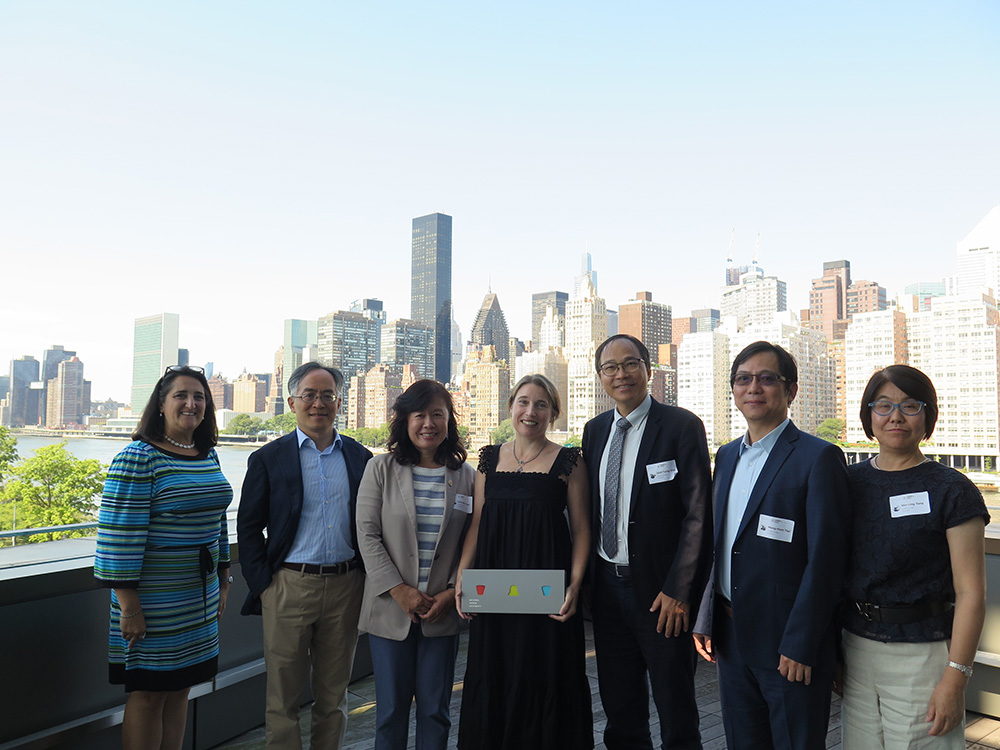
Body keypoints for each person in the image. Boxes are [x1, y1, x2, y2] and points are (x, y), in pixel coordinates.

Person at [693, 341, 851, 750]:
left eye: (767, 379)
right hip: (731, 637)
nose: (753, 388)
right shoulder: (727, 456)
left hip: (788, 644)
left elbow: (827, 562)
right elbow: (720, 544)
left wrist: (802, 642)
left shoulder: (818, 458)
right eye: (743, 379)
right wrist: (706, 617)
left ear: (790, 390)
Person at [840, 365, 988, 749]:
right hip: (854, 648)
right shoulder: (848, 483)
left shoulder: (951, 489)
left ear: (927, 416)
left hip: (922, 655)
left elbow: (971, 593)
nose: (896, 417)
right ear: (869, 416)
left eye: (910, 405)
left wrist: (956, 678)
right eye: (883, 405)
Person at [582, 333, 713, 750]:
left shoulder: (681, 426)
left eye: (630, 364)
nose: (621, 374)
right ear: (601, 376)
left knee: (676, 707)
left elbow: (698, 514)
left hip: (662, 595)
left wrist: (680, 590)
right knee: (620, 706)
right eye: (610, 367)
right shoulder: (594, 431)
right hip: (607, 589)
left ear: (648, 369)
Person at [94, 365, 232, 750]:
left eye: (199, 397)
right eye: (180, 396)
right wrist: (129, 607)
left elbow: (218, 524)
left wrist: (223, 579)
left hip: (198, 598)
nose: (191, 403)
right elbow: (116, 537)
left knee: (181, 689)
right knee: (150, 693)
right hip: (153, 602)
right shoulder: (138, 457)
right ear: (160, 404)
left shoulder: (207, 455)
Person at [236, 362, 373, 750]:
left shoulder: (361, 457)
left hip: (346, 587)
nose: (318, 403)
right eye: (309, 395)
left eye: (327, 395)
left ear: (340, 403)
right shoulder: (268, 458)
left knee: (334, 697)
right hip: (288, 587)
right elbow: (248, 527)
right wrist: (264, 585)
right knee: (283, 699)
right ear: (292, 402)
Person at [456, 373, 593, 750]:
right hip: (494, 591)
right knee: (494, 672)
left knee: (544, 673)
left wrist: (575, 585)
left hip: (546, 594)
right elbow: (477, 523)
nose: (531, 411)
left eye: (541, 404)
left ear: (553, 413)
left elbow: (582, 529)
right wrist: (462, 575)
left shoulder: (569, 461)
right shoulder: (488, 459)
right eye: (524, 402)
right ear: (511, 407)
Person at [355, 379, 475, 750]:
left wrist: (452, 592)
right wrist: (399, 590)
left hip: (442, 610)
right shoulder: (380, 468)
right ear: (405, 420)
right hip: (391, 610)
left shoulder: (467, 477)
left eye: (437, 414)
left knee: (436, 711)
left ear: (449, 421)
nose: (428, 424)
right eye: (419, 415)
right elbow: (367, 535)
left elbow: (473, 542)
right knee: (390, 712)